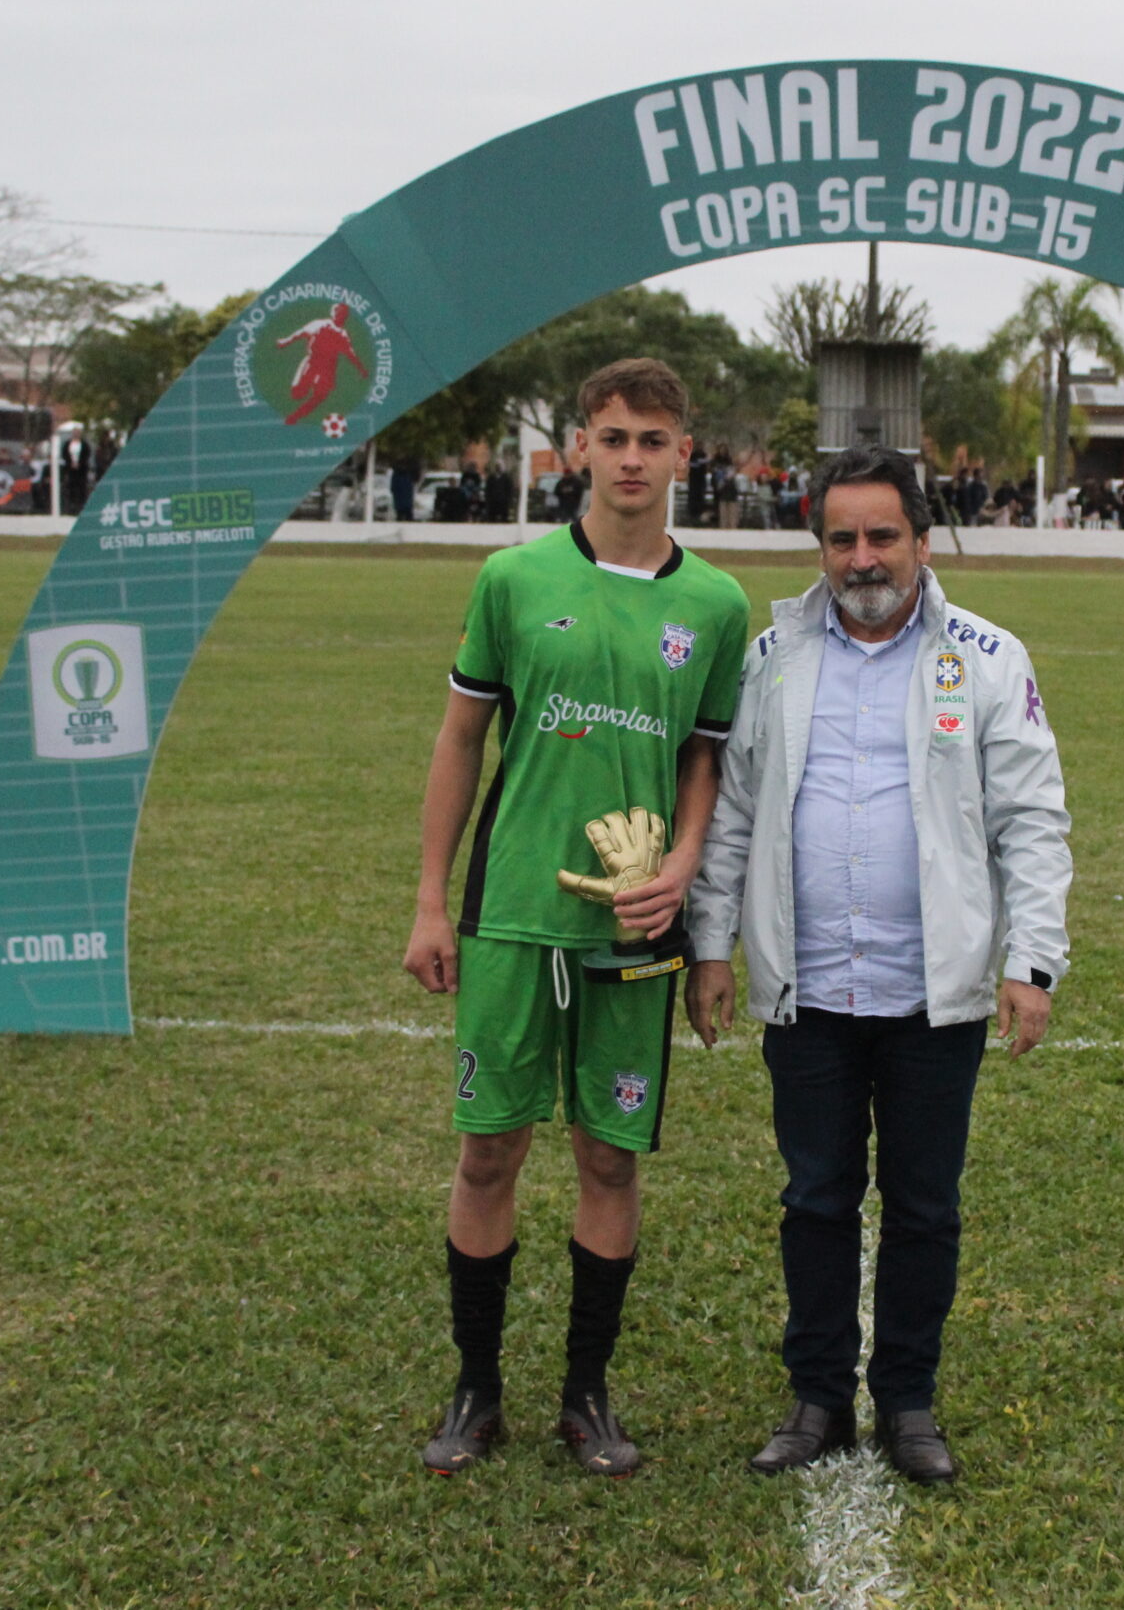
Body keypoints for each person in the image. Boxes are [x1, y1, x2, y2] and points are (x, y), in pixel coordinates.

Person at [686, 446, 1072, 1487]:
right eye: (841, 538)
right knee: (813, 1198)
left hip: (931, 995)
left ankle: (906, 1400)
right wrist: (710, 942)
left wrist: (1030, 960)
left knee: (922, 1207)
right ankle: (815, 1396)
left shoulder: (988, 657)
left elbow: (1031, 822)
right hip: (805, 986)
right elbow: (731, 812)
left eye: (881, 536)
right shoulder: (770, 658)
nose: (862, 558)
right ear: (818, 545)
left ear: (922, 540)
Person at [400, 358, 751, 1479]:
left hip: (635, 928)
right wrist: (427, 903)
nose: (633, 458)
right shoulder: (513, 577)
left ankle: (586, 1395)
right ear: (579, 450)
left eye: (654, 439)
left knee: (609, 1156)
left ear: (684, 453)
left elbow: (706, 759)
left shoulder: (716, 605)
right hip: (510, 915)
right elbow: (462, 741)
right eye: (613, 437)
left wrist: (686, 869)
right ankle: (474, 1390)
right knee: (489, 1147)